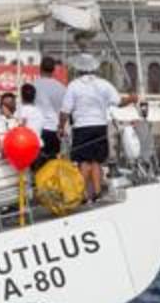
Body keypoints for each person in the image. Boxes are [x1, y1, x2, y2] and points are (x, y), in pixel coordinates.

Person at [58, 53, 136, 203]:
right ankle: (97, 192)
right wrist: (132, 99)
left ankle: (82, 194)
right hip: (99, 126)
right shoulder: (104, 84)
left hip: (81, 127)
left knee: (83, 162)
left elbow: (65, 111)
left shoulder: (74, 85)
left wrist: (61, 126)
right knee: (96, 161)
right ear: (94, 69)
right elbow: (119, 102)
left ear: (79, 69)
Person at [33, 56, 67, 170]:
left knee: (36, 160)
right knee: (52, 162)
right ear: (53, 70)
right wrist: (62, 127)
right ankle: (50, 185)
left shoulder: (32, 85)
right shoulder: (61, 87)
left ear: (40, 68)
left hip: (36, 128)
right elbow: (64, 110)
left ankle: (37, 185)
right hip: (53, 128)